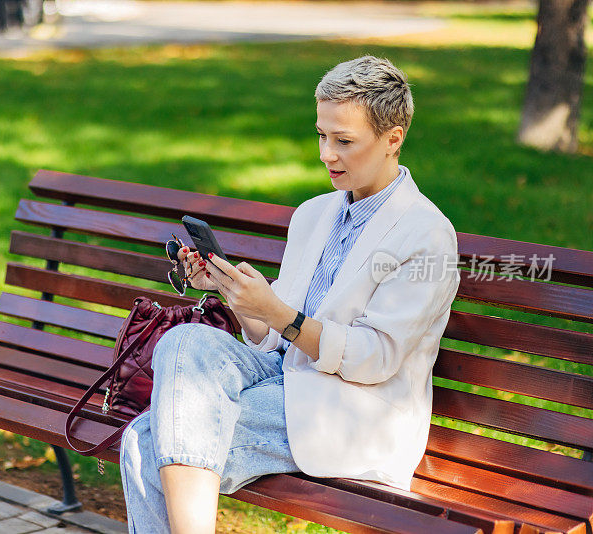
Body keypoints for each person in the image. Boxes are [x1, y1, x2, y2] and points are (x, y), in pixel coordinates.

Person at [119, 55, 461, 534]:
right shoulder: (314, 214)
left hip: (354, 410)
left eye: (344, 141)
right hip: (284, 379)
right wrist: (230, 288)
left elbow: (376, 357)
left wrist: (281, 315)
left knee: (143, 441)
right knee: (183, 342)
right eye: (322, 135)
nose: (327, 154)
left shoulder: (427, 235)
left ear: (393, 139)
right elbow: (268, 335)